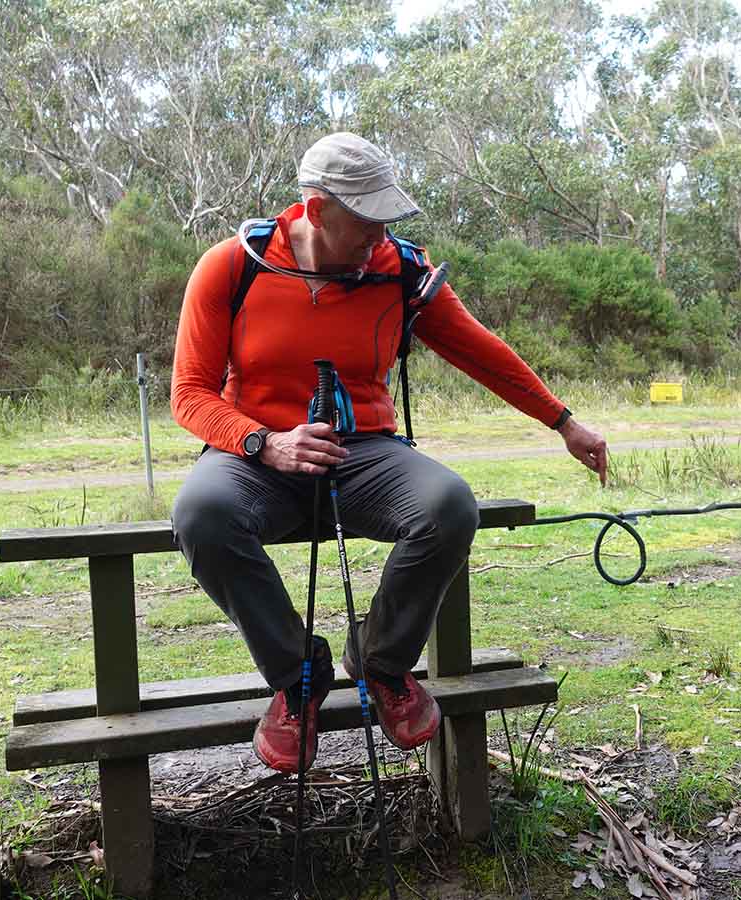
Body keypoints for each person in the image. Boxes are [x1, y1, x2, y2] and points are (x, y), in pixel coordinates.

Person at [170, 132, 608, 774]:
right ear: (317, 211)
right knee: (200, 514)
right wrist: (267, 443)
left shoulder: (399, 272)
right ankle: (297, 677)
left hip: (363, 455)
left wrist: (563, 421)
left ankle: (379, 663)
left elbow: (479, 350)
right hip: (254, 455)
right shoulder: (232, 267)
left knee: (449, 504)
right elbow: (188, 394)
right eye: (364, 222)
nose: (378, 237)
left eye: (385, 221)